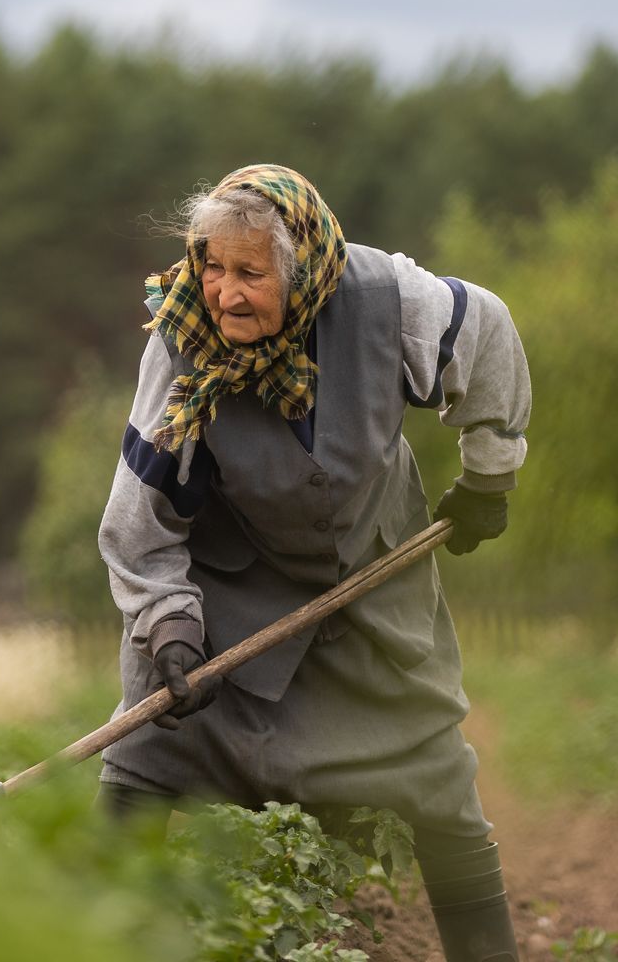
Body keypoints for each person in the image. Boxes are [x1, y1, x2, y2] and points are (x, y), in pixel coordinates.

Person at [96, 165, 530, 962]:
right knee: (150, 747)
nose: (224, 291)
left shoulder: (386, 299)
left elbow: (490, 331)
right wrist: (170, 629)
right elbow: (138, 519)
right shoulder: (182, 341)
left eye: (250, 273)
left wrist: (488, 474)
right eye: (213, 266)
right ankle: (104, 941)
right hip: (229, 582)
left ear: (303, 274)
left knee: (432, 763)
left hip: (375, 567)